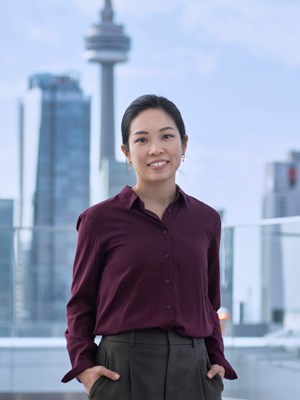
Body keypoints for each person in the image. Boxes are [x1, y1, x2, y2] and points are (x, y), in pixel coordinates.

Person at [62, 94, 237, 400]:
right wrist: (85, 369)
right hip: (122, 369)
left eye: (167, 136)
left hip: (194, 370)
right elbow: (81, 304)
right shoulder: (98, 220)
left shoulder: (207, 220)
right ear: (126, 152)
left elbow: (209, 302)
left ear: (184, 144)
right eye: (141, 140)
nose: (156, 149)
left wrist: (217, 359)